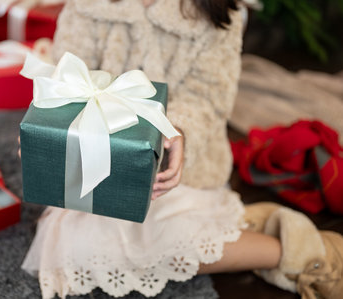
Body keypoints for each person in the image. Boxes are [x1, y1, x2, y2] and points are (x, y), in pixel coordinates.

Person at [21, 1, 343, 298]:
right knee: (72, 248)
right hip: (95, 157)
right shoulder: (88, 6)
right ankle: (237, 230)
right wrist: (52, 139)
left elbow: (208, 99)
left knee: (146, 240)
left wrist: (179, 131)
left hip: (179, 172)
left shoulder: (213, 16)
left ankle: (304, 251)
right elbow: (66, 78)